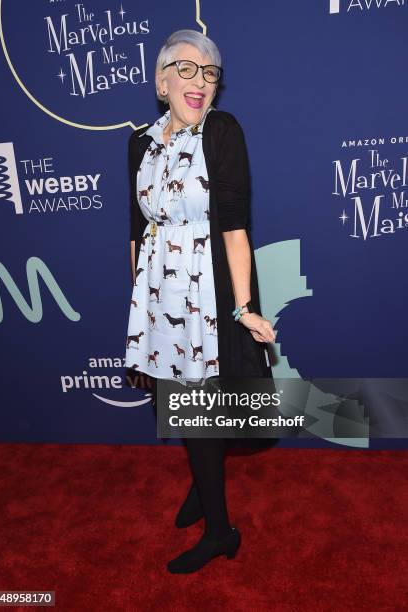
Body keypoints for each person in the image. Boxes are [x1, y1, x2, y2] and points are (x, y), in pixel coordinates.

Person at [125, 29, 276, 574]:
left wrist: (244, 307)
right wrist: (137, 307)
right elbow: (138, 230)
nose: (199, 81)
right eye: (185, 70)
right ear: (161, 82)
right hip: (159, 296)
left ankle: (220, 532)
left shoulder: (222, 132)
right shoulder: (139, 142)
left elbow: (236, 227)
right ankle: (203, 489)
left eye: (209, 73)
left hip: (208, 298)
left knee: (206, 410)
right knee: (180, 405)